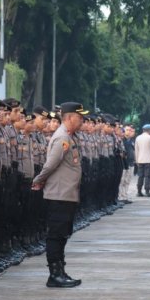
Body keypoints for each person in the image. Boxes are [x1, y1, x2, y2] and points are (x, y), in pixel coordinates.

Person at [32, 102, 89, 288]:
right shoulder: (62, 138)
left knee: (62, 234)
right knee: (56, 235)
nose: (81, 121)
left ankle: (60, 271)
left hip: (66, 194)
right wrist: (38, 180)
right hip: (59, 194)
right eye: (79, 117)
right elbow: (50, 164)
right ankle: (54, 274)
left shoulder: (70, 136)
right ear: (70, 117)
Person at [134, 124, 150, 197]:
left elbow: (136, 150)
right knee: (148, 176)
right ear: (149, 130)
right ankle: (147, 191)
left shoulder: (138, 138)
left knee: (140, 176)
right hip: (148, 160)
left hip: (140, 160)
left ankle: (139, 191)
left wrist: (137, 160)